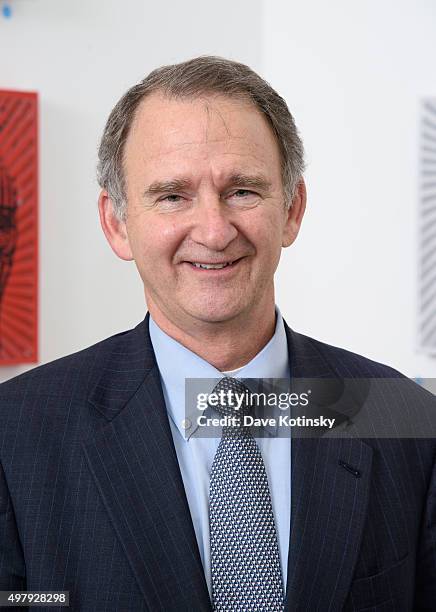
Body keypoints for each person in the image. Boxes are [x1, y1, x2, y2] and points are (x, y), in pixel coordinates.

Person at [0, 56, 435, 612]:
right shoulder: (16, 438)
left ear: (292, 209)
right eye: (173, 195)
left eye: (243, 191)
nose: (213, 230)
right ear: (117, 223)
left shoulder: (402, 419)